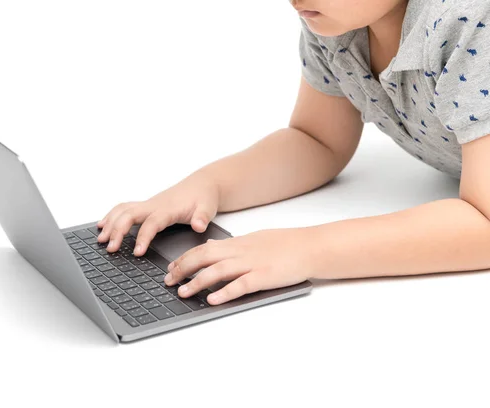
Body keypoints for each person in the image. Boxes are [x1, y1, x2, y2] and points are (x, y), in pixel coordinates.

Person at [96, 0, 490, 306]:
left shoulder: (471, 19)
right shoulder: (337, 20)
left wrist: (304, 249)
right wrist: (207, 186)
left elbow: (484, 223)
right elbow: (317, 140)